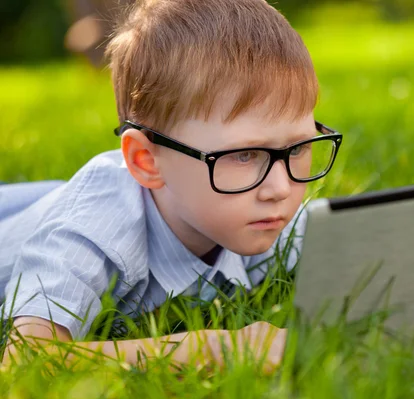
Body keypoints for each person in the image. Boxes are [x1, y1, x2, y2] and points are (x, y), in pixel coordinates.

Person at [0, 0, 343, 372]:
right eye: (244, 155)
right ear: (147, 161)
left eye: (300, 148)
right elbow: (27, 362)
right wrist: (208, 349)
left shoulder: (259, 208)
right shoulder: (95, 227)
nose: (280, 188)